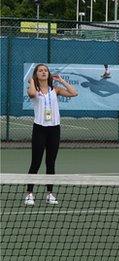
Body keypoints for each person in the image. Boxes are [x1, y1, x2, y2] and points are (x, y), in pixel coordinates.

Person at [24, 64, 78, 206]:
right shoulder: (34, 89)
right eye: (40, 71)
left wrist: (61, 80)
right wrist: (31, 81)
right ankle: (29, 194)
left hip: (54, 130)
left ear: (48, 74)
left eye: (45, 70)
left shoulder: (56, 90)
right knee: (35, 162)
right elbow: (31, 95)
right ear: (36, 74)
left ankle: (50, 194)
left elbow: (74, 93)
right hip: (39, 129)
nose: (43, 72)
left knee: (51, 163)